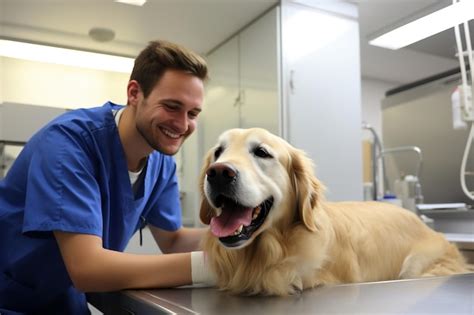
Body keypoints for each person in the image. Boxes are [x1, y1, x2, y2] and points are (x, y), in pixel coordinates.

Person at [0, 40, 215, 314]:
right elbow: (87, 268)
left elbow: (172, 240)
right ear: (134, 93)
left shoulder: (161, 162)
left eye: (193, 113)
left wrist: (239, 238)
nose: (183, 124)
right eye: (172, 106)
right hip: (13, 303)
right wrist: (212, 266)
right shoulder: (69, 145)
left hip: (66, 303)